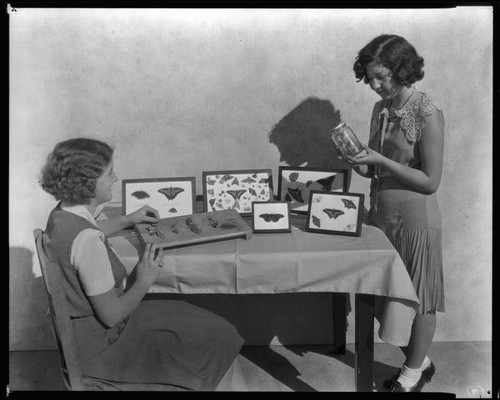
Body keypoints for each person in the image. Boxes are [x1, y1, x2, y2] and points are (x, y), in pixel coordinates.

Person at [39, 138, 244, 391]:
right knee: (219, 335)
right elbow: (112, 315)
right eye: (110, 173)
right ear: (88, 183)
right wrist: (145, 279)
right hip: (103, 350)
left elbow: (88, 230)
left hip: (85, 336)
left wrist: (128, 219)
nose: (115, 178)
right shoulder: (88, 242)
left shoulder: (62, 215)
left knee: (192, 317)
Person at [347, 34, 445, 392]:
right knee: (380, 294)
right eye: (370, 77)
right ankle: (421, 361)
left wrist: (379, 159)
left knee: (419, 300)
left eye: (381, 77)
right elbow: (374, 171)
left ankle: (412, 372)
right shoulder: (382, 108)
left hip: (416, 221)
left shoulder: (428, 112)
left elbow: (430, 181)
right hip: (382, 216)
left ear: (402, 70)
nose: (374, 85)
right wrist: (357, 160)